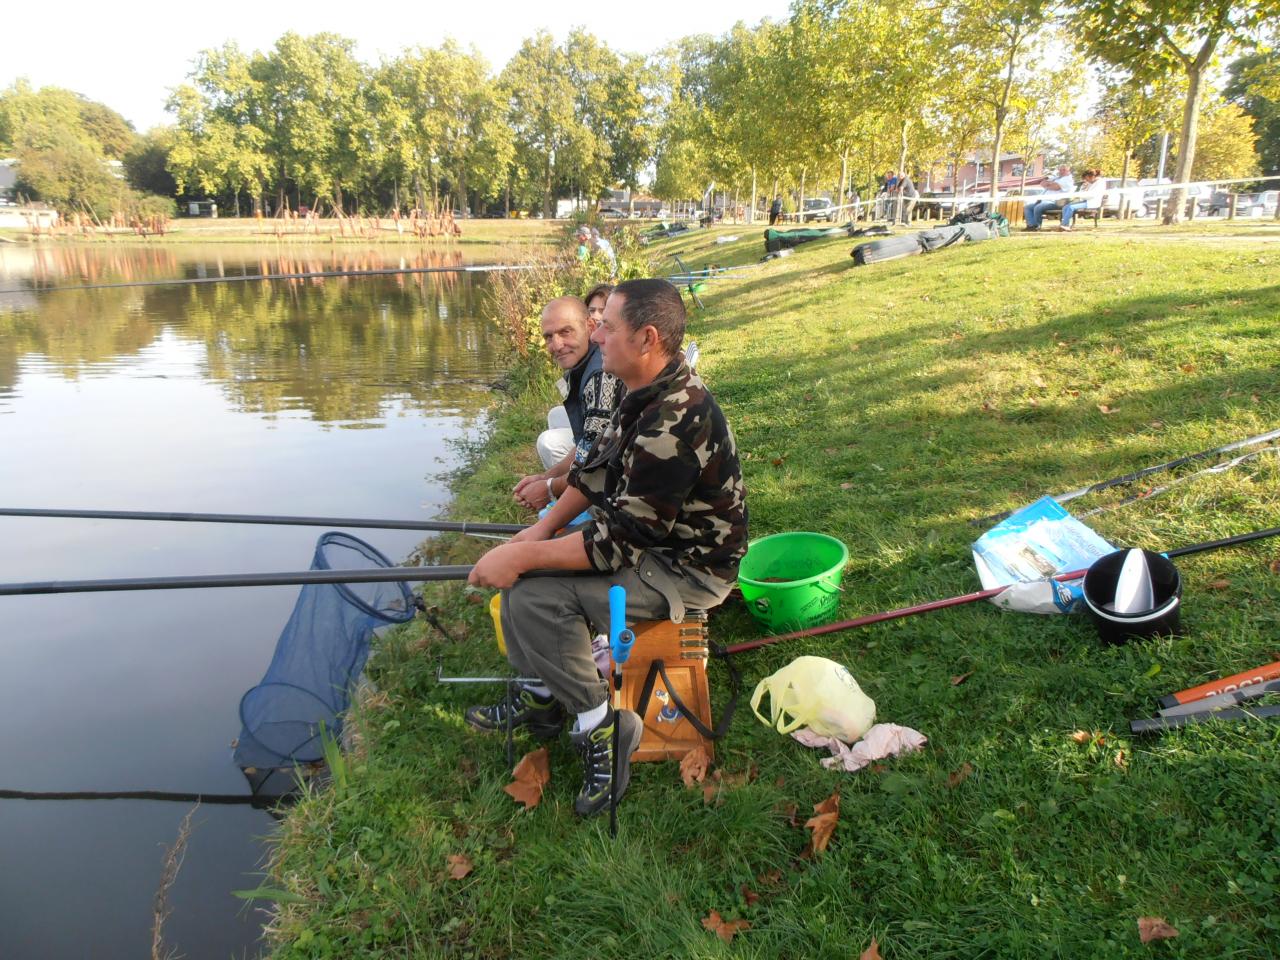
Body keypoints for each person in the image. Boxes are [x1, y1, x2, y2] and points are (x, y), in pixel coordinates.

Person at [467, 279, 748, 817]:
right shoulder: (641, 389)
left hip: (687, 570)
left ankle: (602, 726)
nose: (595, 336)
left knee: (532, 597)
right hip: (652, 545)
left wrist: (522, 558)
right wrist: (536, 533)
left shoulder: (674, 421)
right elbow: (594, 475)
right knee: (529, 577)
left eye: (606, 327)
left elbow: (616, 543)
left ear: (645, 338)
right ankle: (548, 694)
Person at [515, 296, 624, 507]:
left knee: (548, 441)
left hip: (616, 490)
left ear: (590, 326)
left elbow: (595, 464)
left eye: (566, 332)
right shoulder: (588, 360)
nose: (556, 345)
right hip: (606, 463)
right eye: (548, 337)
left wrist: (549, 488)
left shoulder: (599, 377)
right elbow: (588, 444)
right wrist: (546, 476)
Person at [1024, 165, 1075, 231]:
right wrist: (1049, 184)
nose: (1061, 171)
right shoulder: (1057, 178)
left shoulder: (1068, 180)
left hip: (1056, 202)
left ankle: (1037, 226)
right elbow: (1042, 183)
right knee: (1027, 207)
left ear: (1069, 171)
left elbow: (1056, 187)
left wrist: (1048, 184)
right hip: (1044, 201)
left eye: (1064, 170)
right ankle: (1031, 225)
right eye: (1060, 170)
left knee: (1038, 207)